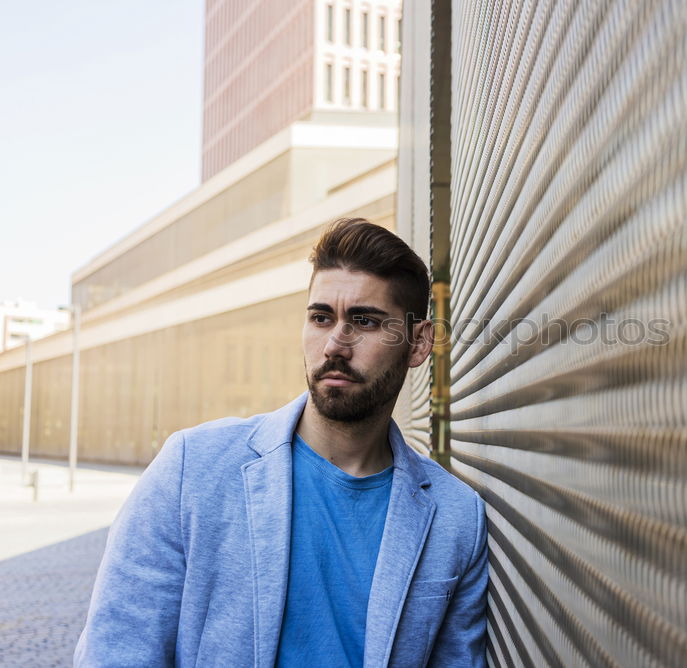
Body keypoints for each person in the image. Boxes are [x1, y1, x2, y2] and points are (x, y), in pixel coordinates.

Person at [75, 218, 488, 667]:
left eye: (364, 321)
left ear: (418, 343)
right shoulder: (192, 467)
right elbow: (118, 648)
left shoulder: (455, 515)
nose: (335, 344)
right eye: (320, 317)